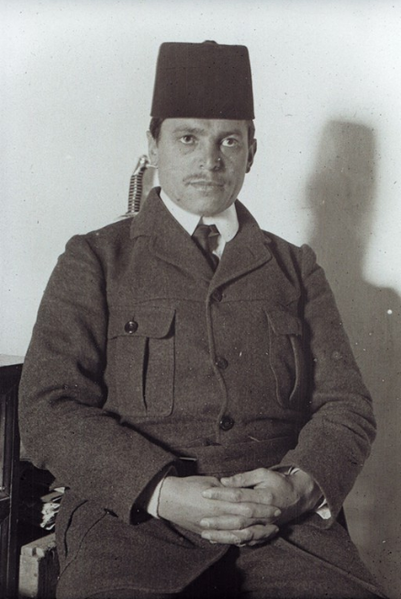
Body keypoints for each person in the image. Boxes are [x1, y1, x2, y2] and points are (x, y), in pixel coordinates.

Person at [19, 41, 386, 599]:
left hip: (281, 527)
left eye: (228, 141)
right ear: (153, 145)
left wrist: (296, 487)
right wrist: (162, 492)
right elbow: (48, 407)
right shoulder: (95, 259)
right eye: (188, 138)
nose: (210, 160)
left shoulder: (295, 267)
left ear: (251, 151)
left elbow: (347, 405)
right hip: (132, 526)